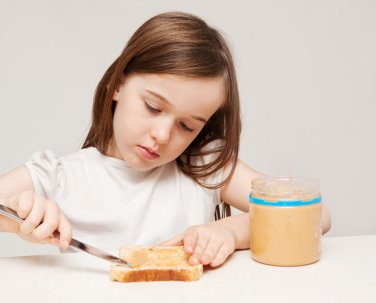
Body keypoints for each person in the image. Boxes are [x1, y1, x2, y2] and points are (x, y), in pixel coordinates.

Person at [0, 11, 331, 267]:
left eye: (187, 126)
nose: (162, 135)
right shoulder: (61, 176)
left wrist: (228, 232)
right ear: (118, 84)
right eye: (153, 107)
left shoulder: (204, 169)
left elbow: (318, 216)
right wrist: (18, 218)